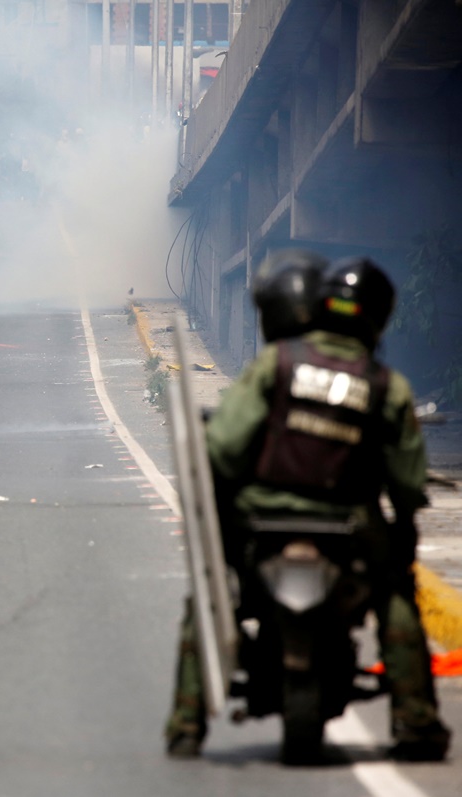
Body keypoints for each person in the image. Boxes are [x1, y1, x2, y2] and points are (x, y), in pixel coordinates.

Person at [164, 253, 452, 763]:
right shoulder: (387, 386)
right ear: (378, 318)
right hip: (350, 528)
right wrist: (401, 528)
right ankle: (416, 721)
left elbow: (225, 448)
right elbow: (407, 484)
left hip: (261, 521)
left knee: (211, 594)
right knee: (395, 598)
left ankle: (186, 723)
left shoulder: (277, 364)